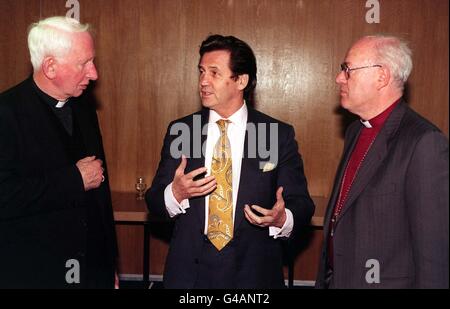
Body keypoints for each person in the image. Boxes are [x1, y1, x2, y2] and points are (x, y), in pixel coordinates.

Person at [146, 34, 314, 288]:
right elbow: (155, 201)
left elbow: (301, 204)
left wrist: (282, 219)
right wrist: (175, 193)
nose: (203, 81)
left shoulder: (272, 134)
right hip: (191, 275)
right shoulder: (185, 131)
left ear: (241, 80)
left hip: (253, 275)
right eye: (201, 71)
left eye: (214, 73)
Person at [316, 35, 449, 288]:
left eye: (347, 69)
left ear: (382, 77)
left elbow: (434, 255)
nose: (339, 78)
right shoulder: (356, 130)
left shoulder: (424, 142)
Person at [0, 16, 117, 288]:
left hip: (91, 271)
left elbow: (101, 195)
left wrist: (109, 264)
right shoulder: (6, 113)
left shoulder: (84, 108)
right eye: (84, 63)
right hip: (35, 272)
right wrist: (73, 181)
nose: (94, 73)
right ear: (50, 66)